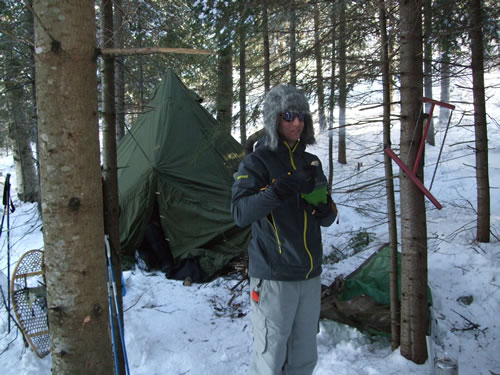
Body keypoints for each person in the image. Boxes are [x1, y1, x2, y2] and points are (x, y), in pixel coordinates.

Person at [231, 85, 337, 375]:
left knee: (303, 359)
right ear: (273, 119)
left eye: (302, 116)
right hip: (274, 277)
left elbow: (327, 217)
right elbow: (240, 213)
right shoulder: (257, 162)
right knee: (270, 359)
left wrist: (325, 207)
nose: (297, 123)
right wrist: (277, 191)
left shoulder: (310, 162)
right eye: (289, 115)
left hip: (309, 275)